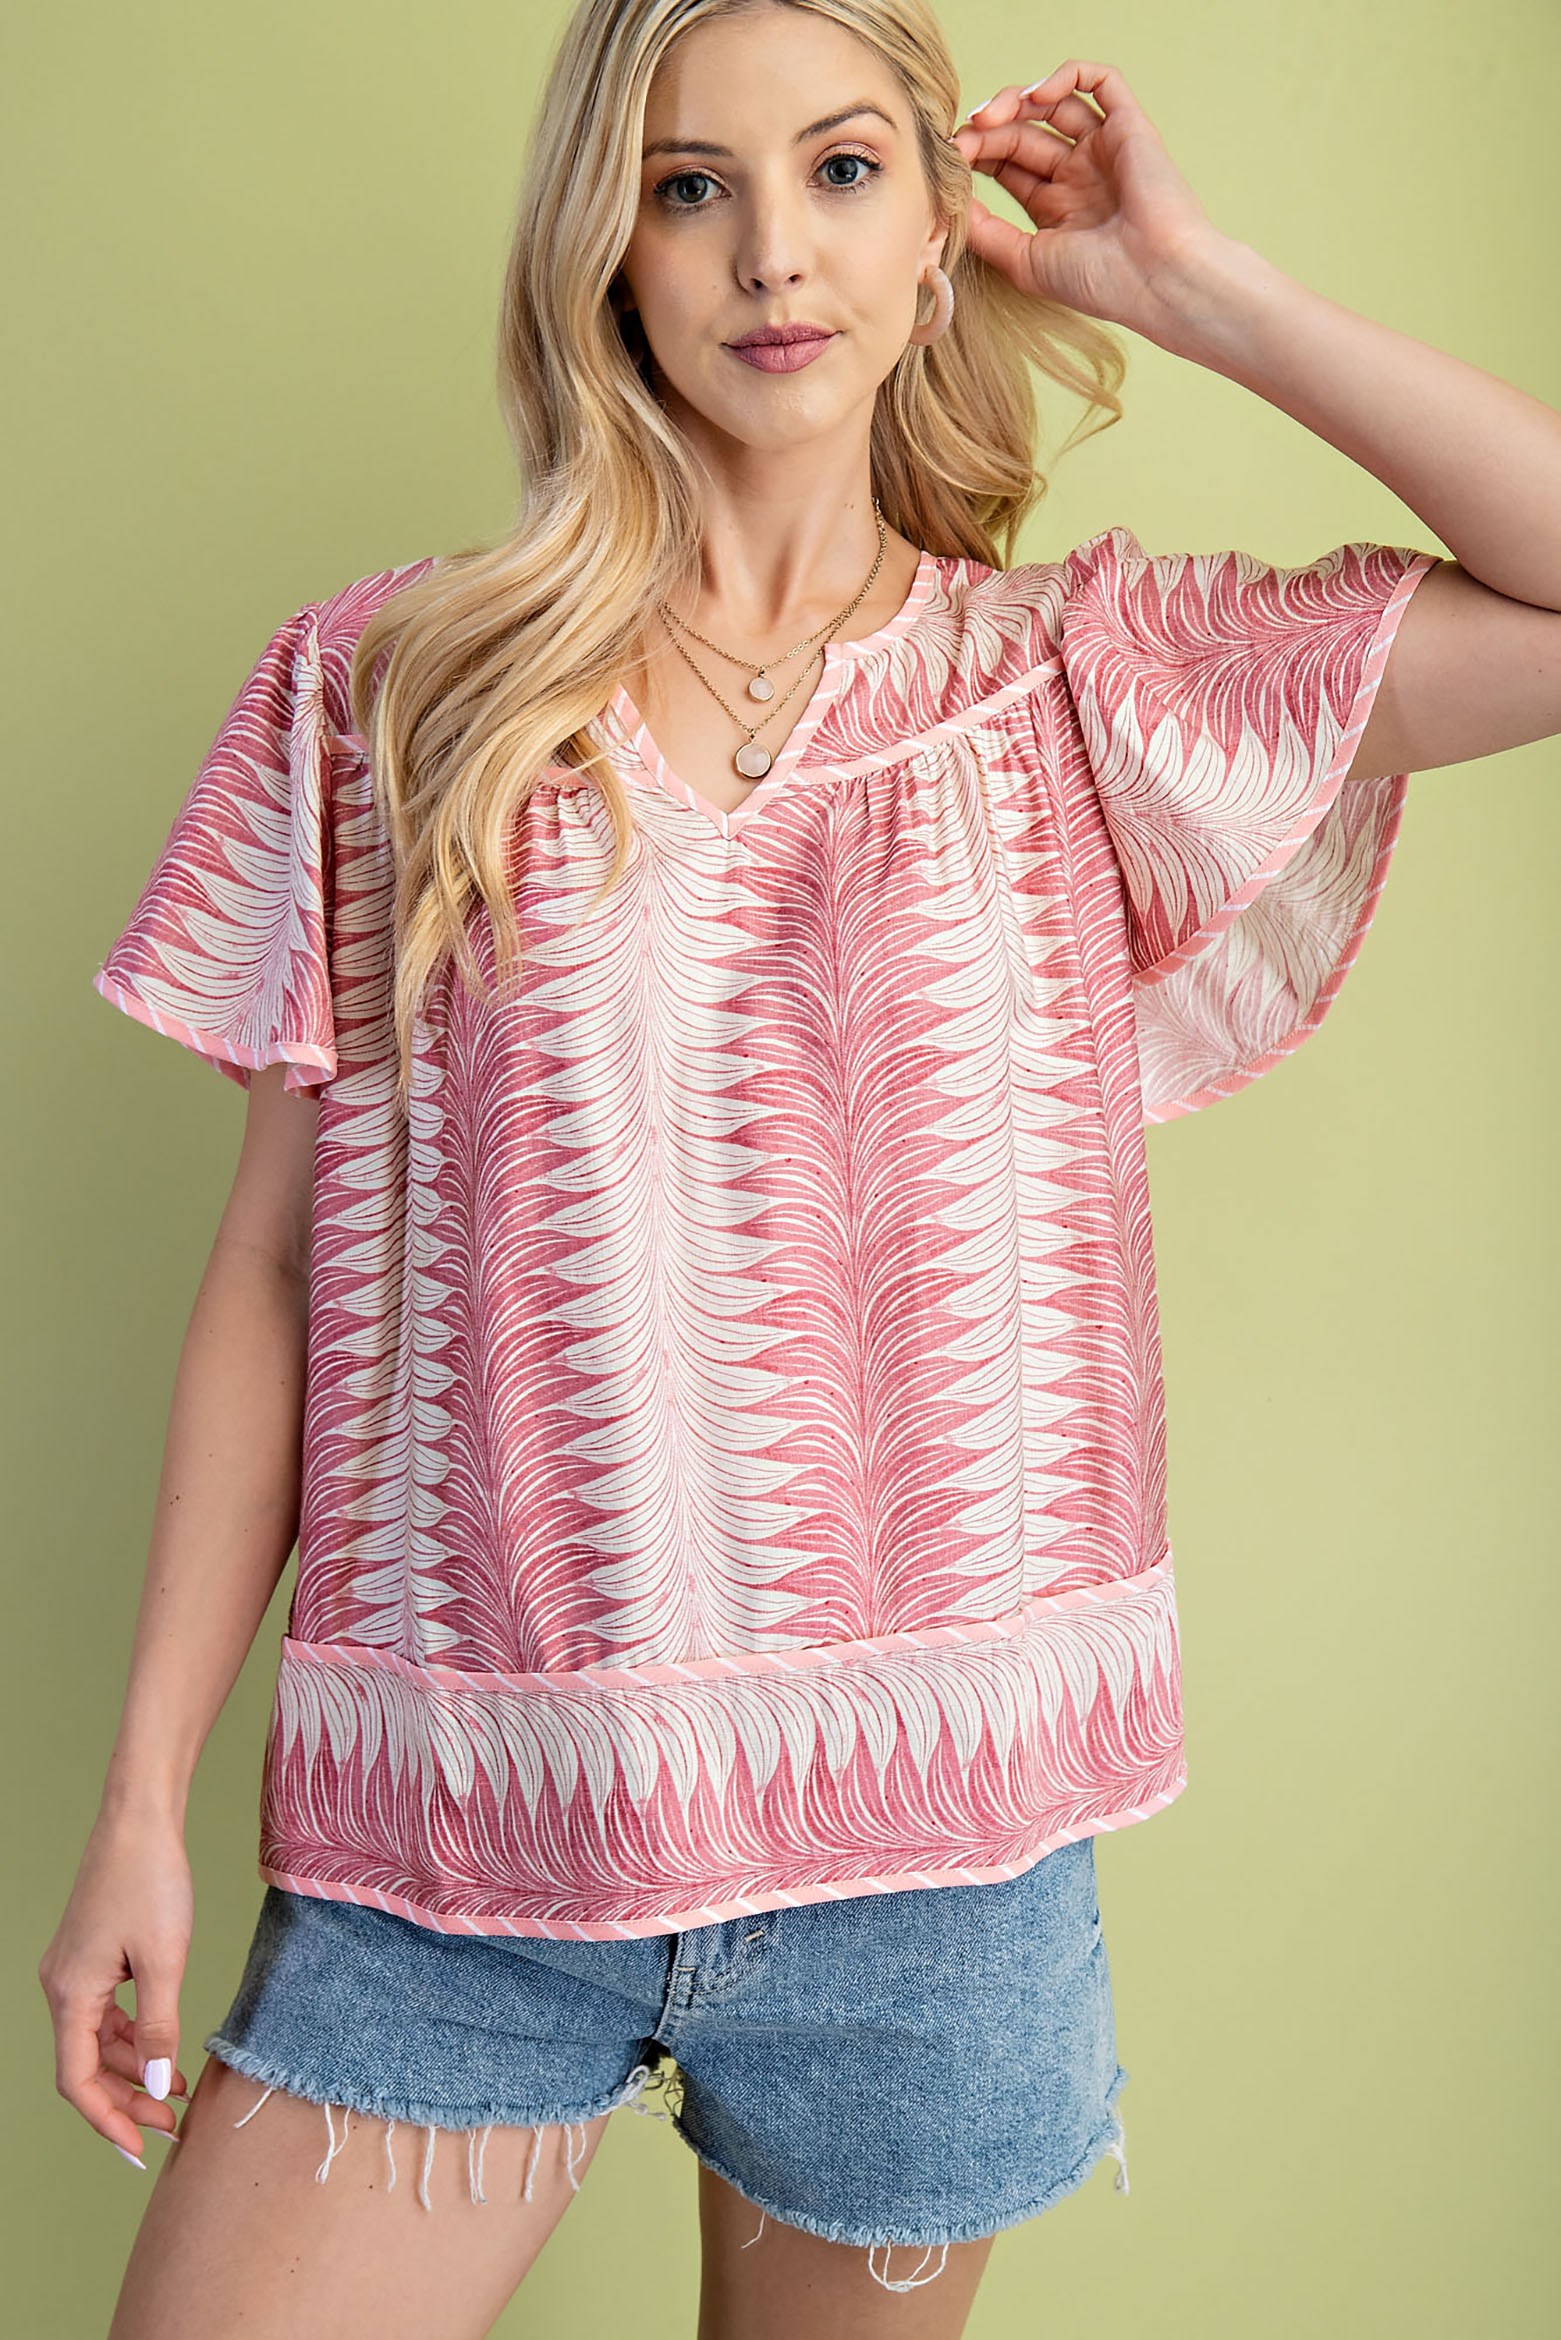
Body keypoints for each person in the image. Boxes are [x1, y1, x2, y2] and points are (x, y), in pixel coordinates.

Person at [41, 1, 1560, 2335]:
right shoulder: (390, 698)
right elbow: (272, 1271)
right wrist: (143, 1796)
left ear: (938, 233)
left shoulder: (1079, 684)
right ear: (606, 253)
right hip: (455, 1846)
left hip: (929, 1868)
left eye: (844, 170)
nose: (772, 251)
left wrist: (1194, 290)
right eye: (690, 185)